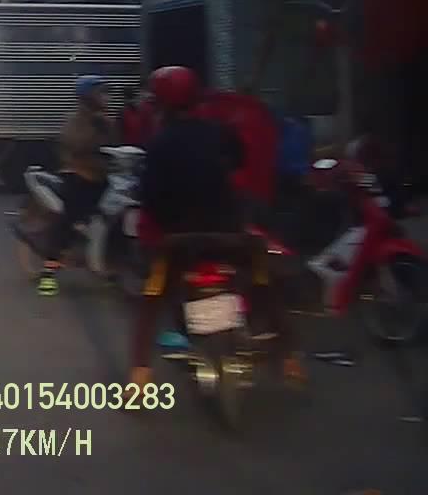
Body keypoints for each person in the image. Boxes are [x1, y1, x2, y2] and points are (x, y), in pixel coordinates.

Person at [130, 65, 304, 388]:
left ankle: (140, 375)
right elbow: (239, 162)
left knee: (152, 296)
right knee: (262, 280)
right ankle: (290, 358)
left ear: (161, 103)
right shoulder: (220, 132)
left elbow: (150, 197)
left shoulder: (159, 144)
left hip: (180, 242)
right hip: (230, 237)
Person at [37, 74, 116, 296]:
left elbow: (116, 143)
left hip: (102, 176)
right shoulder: (76, 120)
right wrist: (96, 129)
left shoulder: (106, 120)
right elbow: (75, 144)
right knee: (68, 218)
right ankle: (48, 270)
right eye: (100, 93)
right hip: (79, 175)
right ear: (88, 96)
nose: (105, 97)